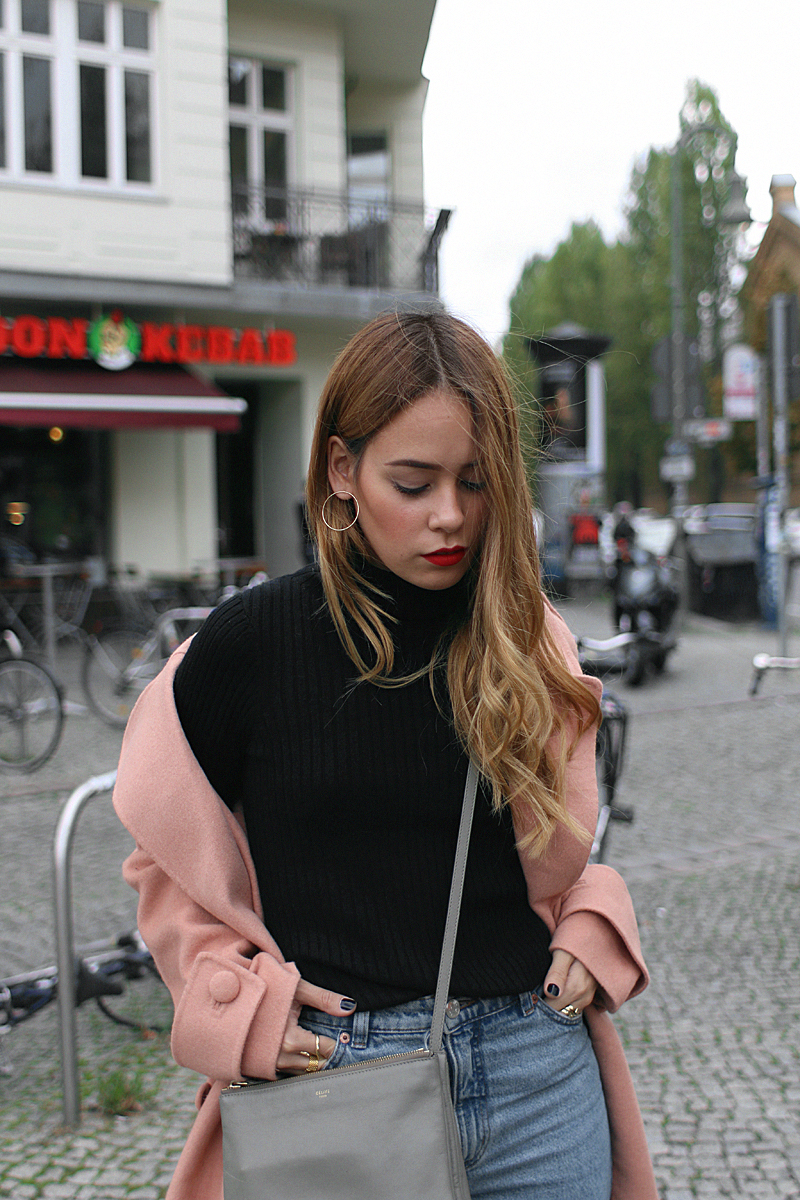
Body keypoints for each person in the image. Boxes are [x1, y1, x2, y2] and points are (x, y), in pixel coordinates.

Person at [113, 310, 657, 1200]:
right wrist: (229, 1000)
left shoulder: (524, 636)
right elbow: (164, 858)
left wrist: (592, 922)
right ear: (342, 469)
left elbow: (556, 854)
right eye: (414, 482)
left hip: (538, 1070)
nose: (451, 516)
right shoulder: (253, 644)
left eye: (476, 482)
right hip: (340, 1081)